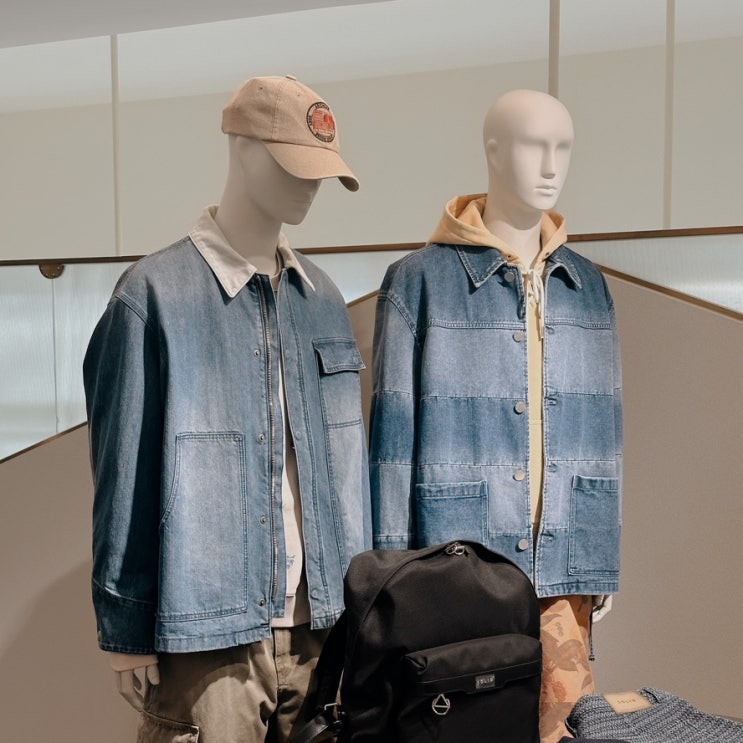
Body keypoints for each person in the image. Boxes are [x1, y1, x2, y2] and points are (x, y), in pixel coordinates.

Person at [84, 75, 372, 742]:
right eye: (292, 165)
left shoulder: (322, 298)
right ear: (241, 147)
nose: (310, 186)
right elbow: (122, 475)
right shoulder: (153, 295)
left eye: (320, 172)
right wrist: (125, 629)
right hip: (206, 629)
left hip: (324, 626)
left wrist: (364, 608)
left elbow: (347, 470)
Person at [369, 89, 622, 743]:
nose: (551, 165)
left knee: (567, 729)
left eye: (563, 148)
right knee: (462, 726)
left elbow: (602, 433)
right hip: (455, 571)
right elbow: (391, 446)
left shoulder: (587, 285)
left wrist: (596, 559)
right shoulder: (419, 281)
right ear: (492, 150)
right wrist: (387, 577)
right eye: (534, 145)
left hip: (563, 564)